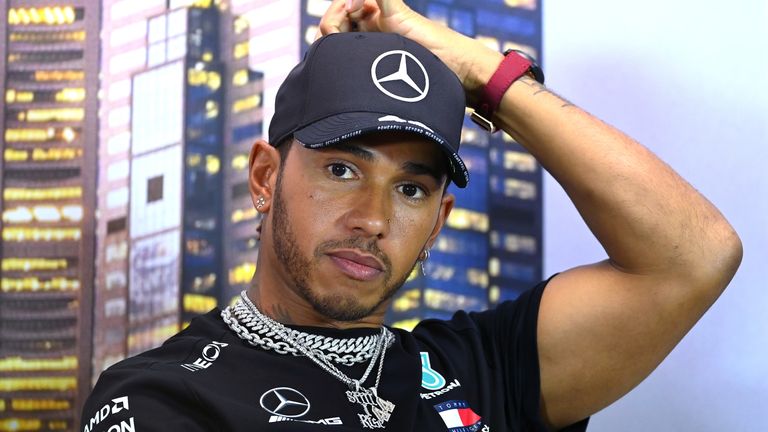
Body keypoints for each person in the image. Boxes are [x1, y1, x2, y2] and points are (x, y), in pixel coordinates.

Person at [81, 0, 742, 431]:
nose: (372, 217)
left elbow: (695, 255)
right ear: (264, 178)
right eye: (343, 170)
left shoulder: (482, 365)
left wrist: (481, 72)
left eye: (411, 190)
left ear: (439, 219)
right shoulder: (158, 399)